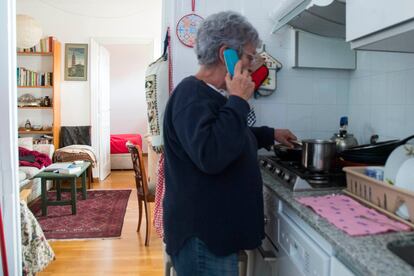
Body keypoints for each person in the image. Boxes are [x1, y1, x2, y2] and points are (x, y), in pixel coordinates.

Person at [163, 11, 296, 276]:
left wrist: (270, 135)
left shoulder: (210, 96)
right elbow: (211, 154)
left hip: (212, 234)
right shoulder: (191, 96)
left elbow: (231, 135)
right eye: (249, 57)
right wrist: (238, 100)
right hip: (203, 237)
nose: (253, 66)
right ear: (227, 54)